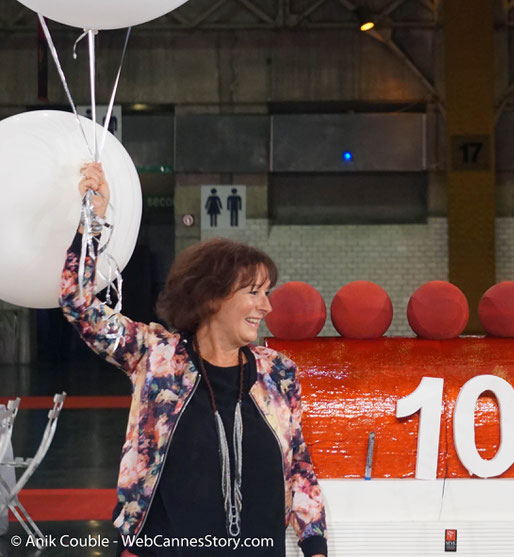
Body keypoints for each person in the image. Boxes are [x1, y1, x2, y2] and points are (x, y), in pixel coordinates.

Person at [61, 163, 327, 557]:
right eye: (254, 293)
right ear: (212, 296)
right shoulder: (155, 355)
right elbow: (79, 304)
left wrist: (315, 545)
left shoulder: (278, 372)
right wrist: (93, 223)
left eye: (267, 292)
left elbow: (300, 466)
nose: (266, 306)